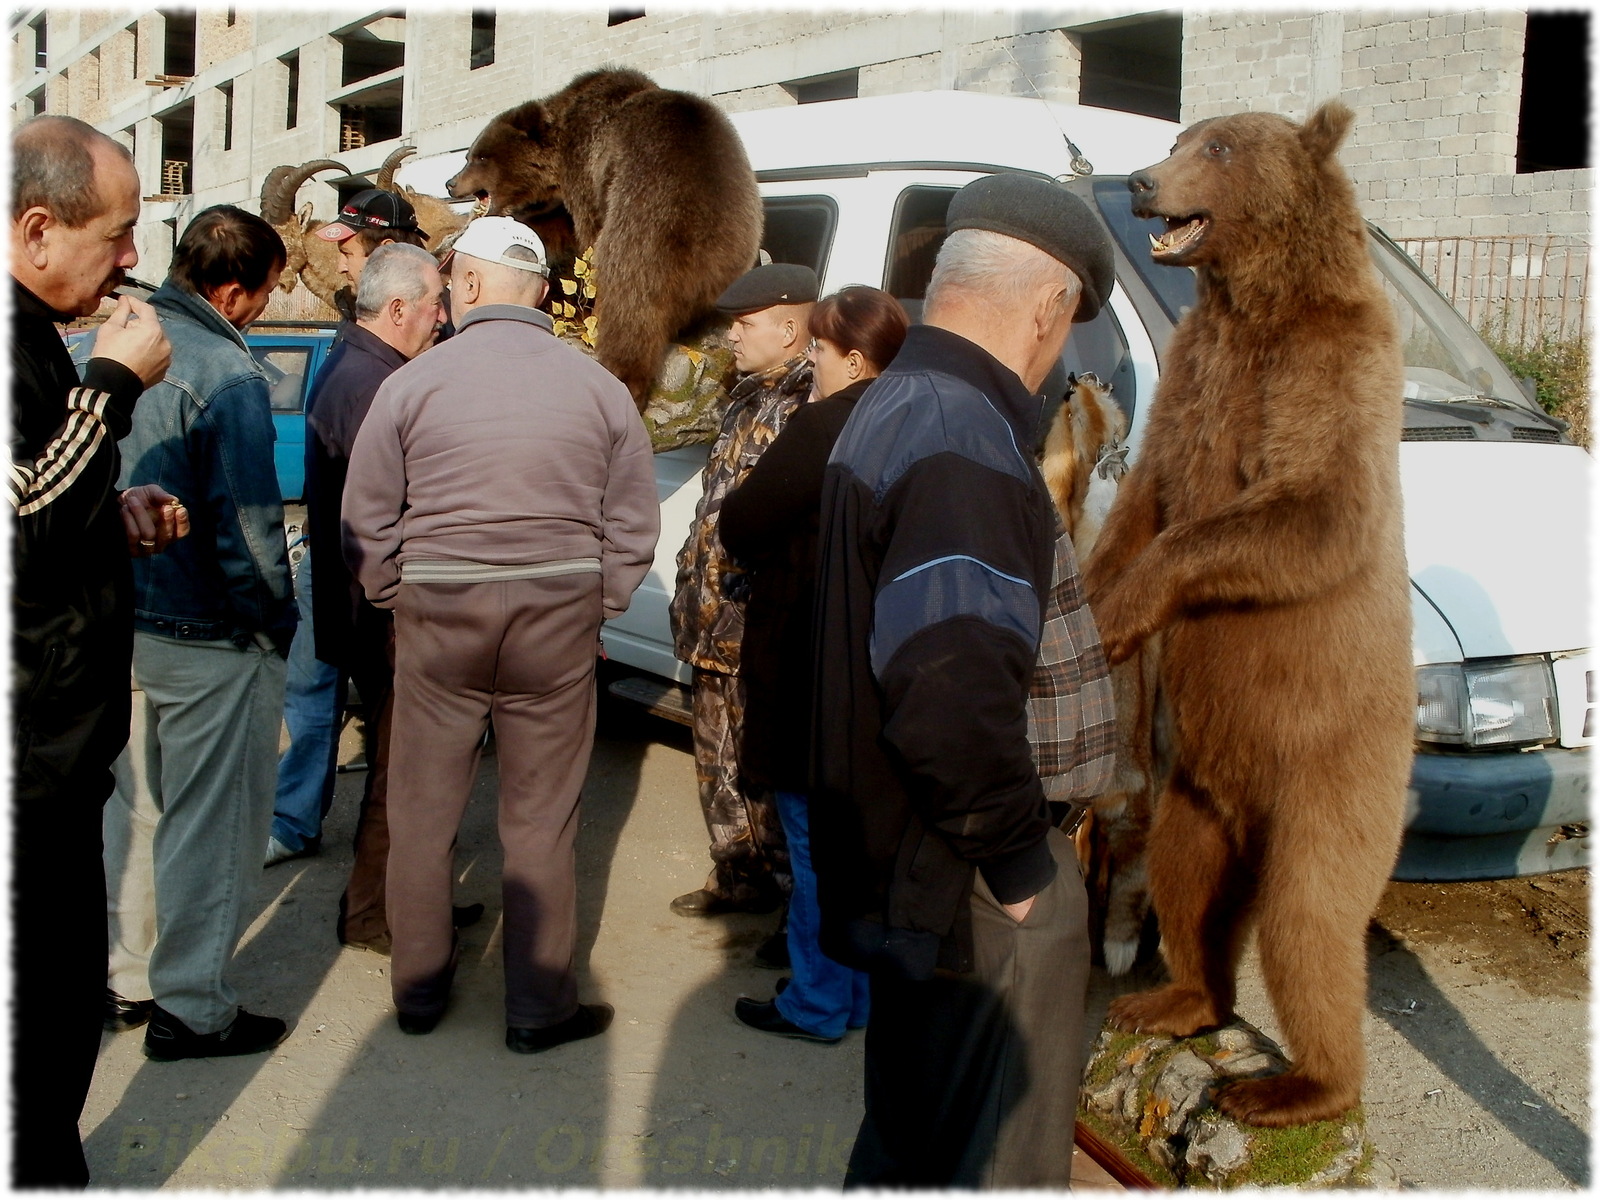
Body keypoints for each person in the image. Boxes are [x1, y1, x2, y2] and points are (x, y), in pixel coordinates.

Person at [810, 174, 1115, 1187]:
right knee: (996, 1158)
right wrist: (1023, 866)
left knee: (916, 1140)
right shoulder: (961, 442)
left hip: (925, 862)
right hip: (978, 877)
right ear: (1046, 308)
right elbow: (946, 694)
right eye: (1067, 327)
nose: (1059, 355)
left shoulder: (898, 404)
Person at [343, 216, 659, 1049]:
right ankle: (537, 1010)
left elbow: (365, 515)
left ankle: (417, 994)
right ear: (545, 293)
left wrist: (393, 595)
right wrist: (604, 600)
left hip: (439, 615)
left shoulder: (412, 384)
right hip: (556, 618)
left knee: (421, 810)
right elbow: (632, 520)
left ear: (469, 288)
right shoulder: (598, 388)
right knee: (540, 819)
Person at [10, 113, 179, 1188]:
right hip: (22, 771)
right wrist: (113, 388)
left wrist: (108, 511)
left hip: (54, 757)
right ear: (36, 229)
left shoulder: (31, 330)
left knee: (64, 1007)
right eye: (114, 234)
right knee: (41, 1016)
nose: (128, 258)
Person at [102, 205, 299, 1063]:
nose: (261, 308)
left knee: (139, 810)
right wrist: (273, 627)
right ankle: (195, 1008)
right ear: (230, 289)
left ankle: (131, 975)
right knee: (212, 827)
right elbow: (251, 527)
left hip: (125, 624)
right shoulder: (229, 373)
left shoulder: (111, 347)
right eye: (262, 294)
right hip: (208, 635)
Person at [719, 286, 908, 1043]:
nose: (814, 364)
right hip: (883, 668)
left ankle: (819, 1001)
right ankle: (856, 994)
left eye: (822, 352)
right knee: (860, 845)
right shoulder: (918, 418)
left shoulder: (825, 425)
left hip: (810, 661)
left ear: (854, 359)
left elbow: (744, 520)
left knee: (813, 844)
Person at [296, 241, 480, 953]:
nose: (443, 316)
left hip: (369, 610)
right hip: (385, 616)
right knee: (402, 775)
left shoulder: (361, 366)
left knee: (407, 767)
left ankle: (413, 895)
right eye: (435, 303)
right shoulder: (374, 386)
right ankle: (376, 914)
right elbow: (400, 511)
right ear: (398, 307)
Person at [268, 190, 440, 868]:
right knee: (323, 694)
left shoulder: (380, 357)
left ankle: (300, 822)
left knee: (325, 693)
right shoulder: (371, 368)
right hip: (356, 571)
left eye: (350, 246)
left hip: (349, 568)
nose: (341, 261)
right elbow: (383, 501)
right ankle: (308, 828)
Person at [666, 263, 815, 927]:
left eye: (745, 323)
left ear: (789, 328)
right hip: (711, 621)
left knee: (767, 771)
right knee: (715, 762)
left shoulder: (808, 401)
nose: (731, 335)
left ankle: (791, 905)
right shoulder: (747, 394)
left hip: (757, 626)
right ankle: (738, 877)